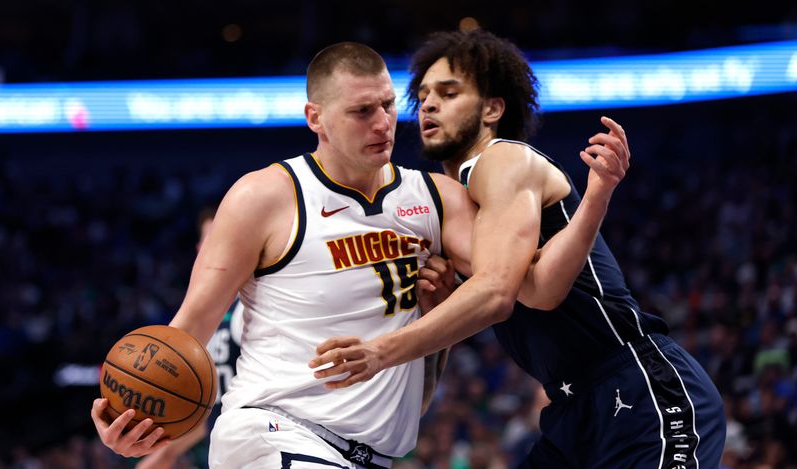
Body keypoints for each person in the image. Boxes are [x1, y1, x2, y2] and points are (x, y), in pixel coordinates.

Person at [90, 41, 624, 468]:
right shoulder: (264, 196)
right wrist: (136, 419)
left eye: (389, 106)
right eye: (362, 111)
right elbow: (189, 329)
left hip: (373, 454)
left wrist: (592, 199)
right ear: (315, 117)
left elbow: (516, 289)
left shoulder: (437, 199)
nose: (383, 123)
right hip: (276, 432)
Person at [310, 30, 726, 468]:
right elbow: (525, 290)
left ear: (492, 109)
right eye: (424, 95)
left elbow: (532, 293)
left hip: (640, 386)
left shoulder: (500, 159)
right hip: (573, 407)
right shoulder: (452, 201)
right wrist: (439, 304)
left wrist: (380, 351)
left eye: (449, 93)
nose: (429, 104)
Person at [135, 208, 243, 469]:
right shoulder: (200, 317)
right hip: (226, 451)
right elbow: (213, 409)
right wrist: (165, 453)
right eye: (209, 240)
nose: (216, 247)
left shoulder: (259, 305)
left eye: (223, 237)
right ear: (198, 250)